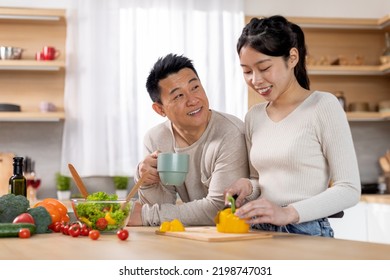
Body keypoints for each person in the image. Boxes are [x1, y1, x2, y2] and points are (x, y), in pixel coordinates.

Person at [224, 15, 361, 237]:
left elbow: (349, 189)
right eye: (247, 71)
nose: (256, 80)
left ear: (293, 57)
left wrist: (288, 213)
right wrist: (248, 187)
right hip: (259, 230)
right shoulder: (254, 116)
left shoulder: (323, 106)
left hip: (306, 231)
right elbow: (261, 181)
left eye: (265, 67)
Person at [128, 53, 249, 226]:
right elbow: (159, 209)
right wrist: (146, 180)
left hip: (242, 233)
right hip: (198, 237)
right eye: (178, 96)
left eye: (195, 87)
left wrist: (145, 216)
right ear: (160, 109)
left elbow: (219, 209)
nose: (193, 100)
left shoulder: (231, 133)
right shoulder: (156, 139)